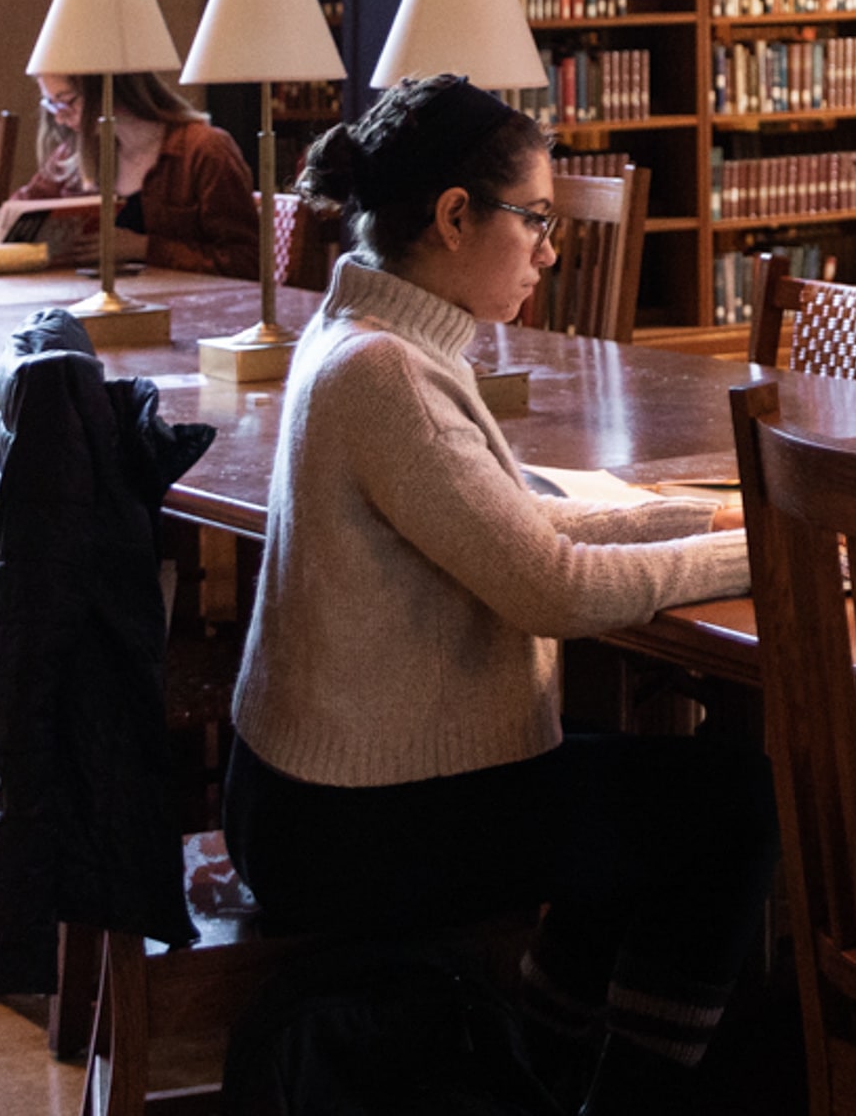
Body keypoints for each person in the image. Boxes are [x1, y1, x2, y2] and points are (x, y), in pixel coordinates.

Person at [226, 74, 774, 1111]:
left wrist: (709, 521)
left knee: (651, 796)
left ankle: (548, 1067)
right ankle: (617, 1094)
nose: (550, 252)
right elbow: (555, 589)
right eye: (534, 221)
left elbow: (519, 526)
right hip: (348, 828)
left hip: (328, 796)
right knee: (728, 805)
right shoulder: (386, 376)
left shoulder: (372, 341)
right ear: (452, 217)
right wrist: (775, 556)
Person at [0, 69, 262, 278]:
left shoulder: (204, 150)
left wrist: (144, 249)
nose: (59, 118)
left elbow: (246, 262)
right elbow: (17, 210)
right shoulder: (77, 154)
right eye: (51, 103)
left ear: (112, 91)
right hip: (87, 315)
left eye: (67, 101)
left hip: (189, 321)